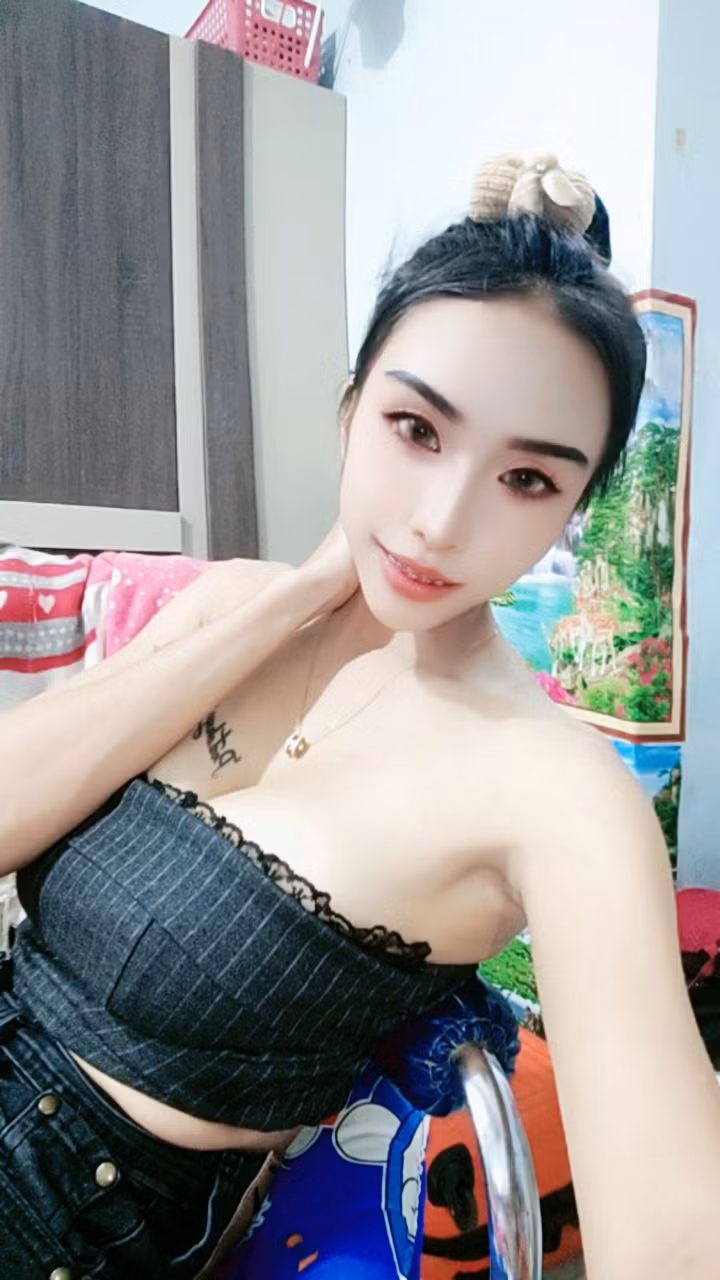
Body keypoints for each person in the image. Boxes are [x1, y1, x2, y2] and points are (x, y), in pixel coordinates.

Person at [0, 153, 718, 1280]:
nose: (439, 521)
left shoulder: (550, 785)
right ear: (350, 412)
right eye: (416, 429)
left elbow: (676, 1237)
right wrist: (299, 596)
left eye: (529, 479)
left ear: (572, 511)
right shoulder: (233, 605)